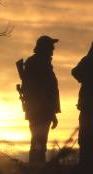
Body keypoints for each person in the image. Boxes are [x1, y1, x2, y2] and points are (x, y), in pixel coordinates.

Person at [21, 35, 60, 163]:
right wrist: (50, 112)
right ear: (44, 48)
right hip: (39, 110)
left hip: (41, 110)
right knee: (39, 142)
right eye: (50, 46)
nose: (53, 49)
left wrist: (52, 113)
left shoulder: (41, 62)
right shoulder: (39, 63)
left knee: (39, 142)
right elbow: (40, 90)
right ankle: (37, 170)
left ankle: (36, 169)